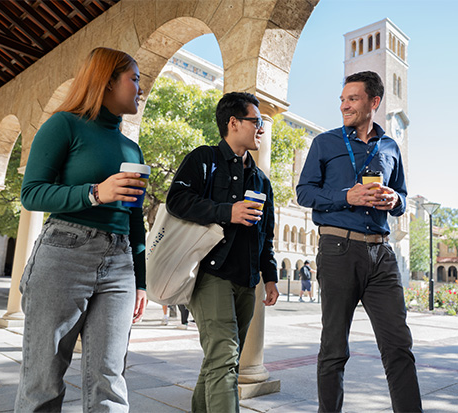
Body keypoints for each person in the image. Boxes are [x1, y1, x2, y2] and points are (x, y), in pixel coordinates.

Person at [15, 47, 147, 412]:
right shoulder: (64, 124)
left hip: (119, 262)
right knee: (42, 380)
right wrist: (95, 193)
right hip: (64, 253)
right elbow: (32, 193)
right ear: (106, 81)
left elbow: (134, 218)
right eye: (134, 78)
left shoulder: (131, 149)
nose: (141, 88)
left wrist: (141, 281)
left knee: (111, 380)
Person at [297, 71, 422, 412]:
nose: (344, 105)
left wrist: (394, 200)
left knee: (399, 345)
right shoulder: (325, 142)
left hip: (382, 252)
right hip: (339, 249)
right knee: (334, 348)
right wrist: (345, 196)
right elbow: (304, 193)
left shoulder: (390, 147)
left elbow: (404, 198)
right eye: (342, 99)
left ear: (374, 102)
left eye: (352, 99)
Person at [166, 92, 279, 412]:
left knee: (219, 361)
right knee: (227, 358)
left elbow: (266, 235)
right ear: (233, 123)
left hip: (247, 281)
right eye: (256, 122)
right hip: (210, 274)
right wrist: (227, 212)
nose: (261, 129)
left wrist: (269, 277)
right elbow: (177, 200)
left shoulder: (261, 180)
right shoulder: (203, 159)